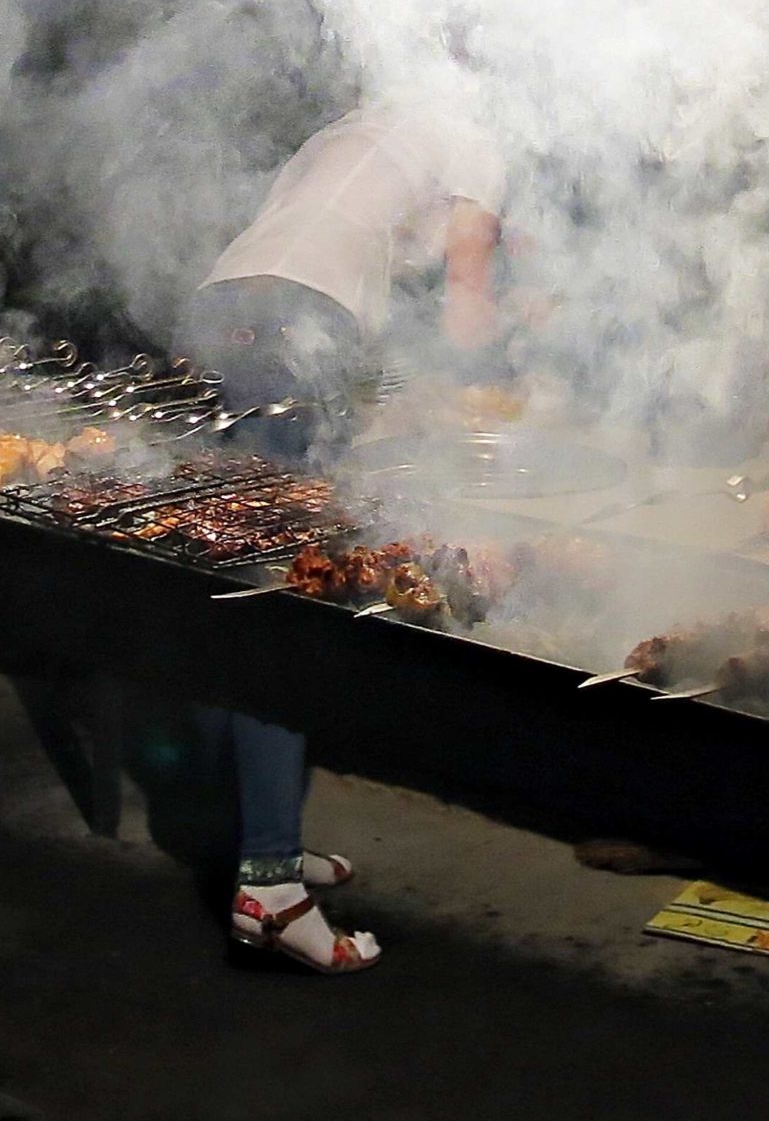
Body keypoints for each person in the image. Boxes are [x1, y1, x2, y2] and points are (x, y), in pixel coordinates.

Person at [169, 98, 508, 973]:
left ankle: (252, 833)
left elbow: (317, 250)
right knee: (284, 598)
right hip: (298, 325)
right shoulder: (480, 137)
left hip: (221, 305)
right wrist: (488, 396)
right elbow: (467, 307)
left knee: (235, 569)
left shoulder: (351, 130)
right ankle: (270, 887)